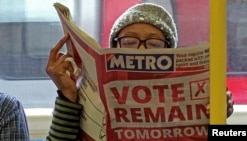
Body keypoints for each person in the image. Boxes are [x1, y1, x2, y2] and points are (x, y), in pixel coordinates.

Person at [46, 3, 234, 141]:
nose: (142, 51)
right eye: (129, 42)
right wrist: (67, 96)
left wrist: (219, 119)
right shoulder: (91, 97)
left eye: (154, 44)